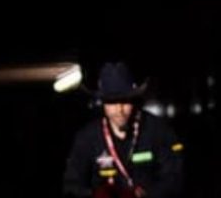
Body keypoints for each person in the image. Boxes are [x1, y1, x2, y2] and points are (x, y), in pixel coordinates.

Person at [63, 62, 184, 198]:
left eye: (125, 101)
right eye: (112, 102)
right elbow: (71, 185)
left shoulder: (158, 130)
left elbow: (175, 177)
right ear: (102, 103)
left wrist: (148, 194)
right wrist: (95, 195)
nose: (119, 109)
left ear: (134, 100)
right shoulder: (87, 138)